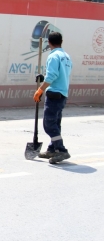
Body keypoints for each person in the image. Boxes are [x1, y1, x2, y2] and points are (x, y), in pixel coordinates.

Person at [33, 31, 73, 164]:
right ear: (61, 41)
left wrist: (40, 89)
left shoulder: (53, 56)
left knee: (49, 124)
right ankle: (52, 148)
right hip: (62, 94)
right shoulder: (66, 56)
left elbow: (52, 76)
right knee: (55, 123)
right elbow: (59, 75)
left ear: (49, 42)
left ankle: (61, 150)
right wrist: (43, 78)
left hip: (54, 94)